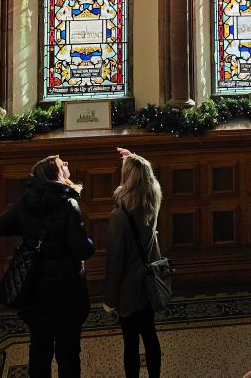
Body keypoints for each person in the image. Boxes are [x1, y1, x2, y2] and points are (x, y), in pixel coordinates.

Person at [0, 154, 94, 378]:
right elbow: (82, 250)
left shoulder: (25, 201)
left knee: (39, 350)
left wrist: (29, 234)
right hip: (67, 293)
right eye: (62, 165)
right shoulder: (69, 205)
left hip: (36, 292)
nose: (67, 164)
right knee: (68, 353)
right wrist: (91, 242)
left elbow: (1, 226)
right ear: (54, 176)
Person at [103, 147, 163, 378]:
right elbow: (146, 175)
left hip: (129, 288)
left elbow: (115, 262)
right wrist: (132, 158)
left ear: (127, 179)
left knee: (130, 343)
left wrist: (110, 299)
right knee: (150, 334)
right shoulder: (152, 203)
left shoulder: (119, 217)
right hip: (149, 283)